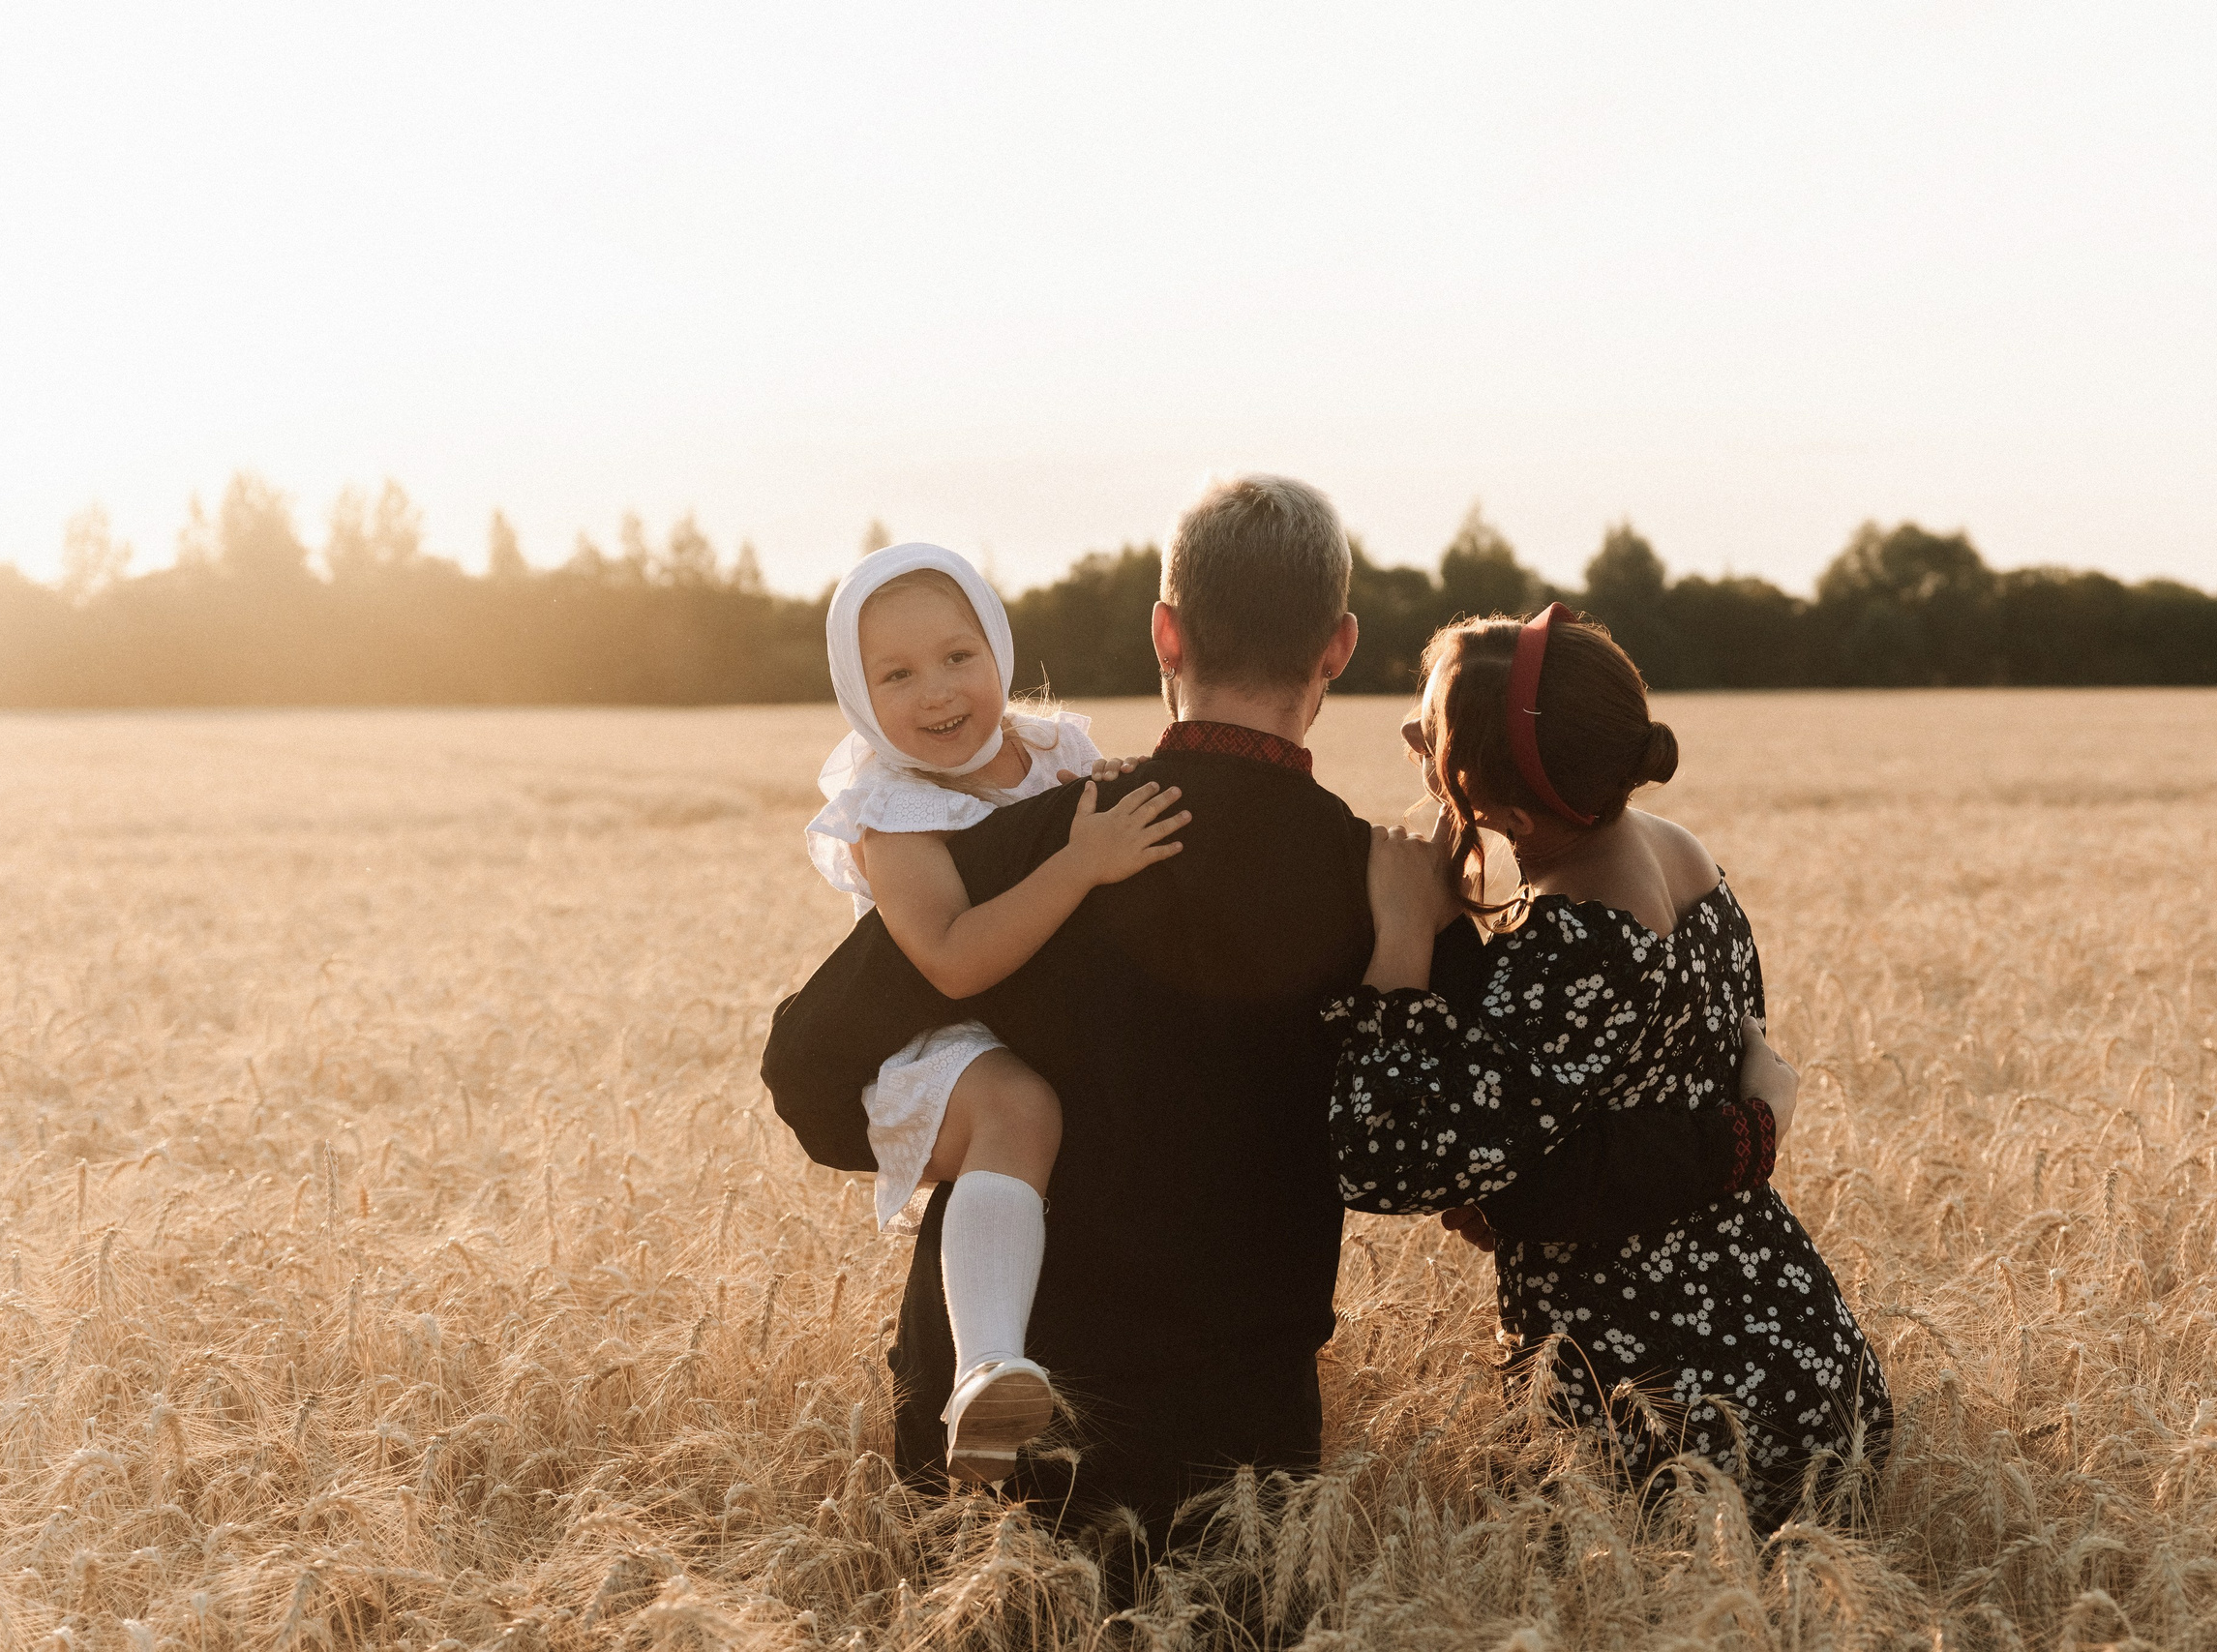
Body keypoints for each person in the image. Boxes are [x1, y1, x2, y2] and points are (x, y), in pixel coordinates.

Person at [762, 477, 1787, 1565]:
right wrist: (1741, 1127)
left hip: (987, 1432)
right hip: (1235, 1446)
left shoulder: (1038, 843)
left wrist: (979, 1133)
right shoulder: (1380, 891)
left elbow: (808, 1072)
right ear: (1338, 648)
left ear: (1164, 632)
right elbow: (1528, 1170)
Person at [1325, 605, 1890, 1532]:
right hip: (1808, 1362)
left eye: (1425, 734)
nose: (1405, 737)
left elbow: (1383, 1155)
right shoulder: (1683, 855)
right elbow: (1618, 1112)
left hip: (1668, 1414)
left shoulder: (1576, 942)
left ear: (1507, 812)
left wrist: (1397, 935)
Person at [805, 542, 1188, 1481]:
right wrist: (1078, 861)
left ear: (998, 647)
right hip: (944, 1047)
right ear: (856, 694)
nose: (935, 691)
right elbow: (951, 960)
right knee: (1021, 1110)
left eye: (956, 657)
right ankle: (986, 1373)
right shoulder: (889, 811)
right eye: (894, 674)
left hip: (1054, 1019)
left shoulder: (1054, 752)